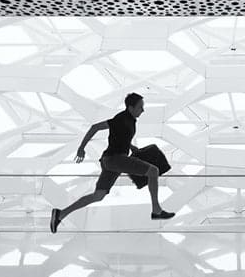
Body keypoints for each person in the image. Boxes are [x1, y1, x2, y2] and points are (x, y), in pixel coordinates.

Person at [49, 93, 175, 233]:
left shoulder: (131, 120)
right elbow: (95, 127)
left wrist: (131, 147)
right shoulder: (120, 119)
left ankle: (60, 214)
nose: (143, 110)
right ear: (130, 107)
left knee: (98, 196)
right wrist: (81, 148)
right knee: (153, 171)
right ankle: (156, 210)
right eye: (140, 107)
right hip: (115, 159)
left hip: (111, 161)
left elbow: (120, 138)